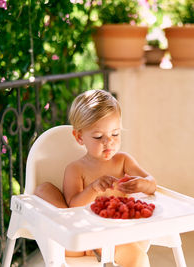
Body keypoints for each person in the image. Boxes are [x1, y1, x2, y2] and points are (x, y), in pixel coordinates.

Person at [34, 89, 157, 267]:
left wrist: (143, 184)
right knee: (43, 189)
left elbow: (152, 184)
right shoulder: (76, 169)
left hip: (113, 236)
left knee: (138, 258)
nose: (109, 142)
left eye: (115, 134)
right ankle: (65, 238)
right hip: (78, 240)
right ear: (79, 137)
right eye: (99, 136)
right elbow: (73, 207)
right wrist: (93, 188)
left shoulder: (123, 161)